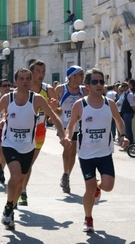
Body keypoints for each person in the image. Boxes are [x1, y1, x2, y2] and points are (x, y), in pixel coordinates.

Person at [0, 68, 68, 230]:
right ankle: (8, 208)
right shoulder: (7, 99)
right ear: (16, 82)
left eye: (27, 78)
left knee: (20, 180)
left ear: (31, 81)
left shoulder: (36, 100)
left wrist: (63, 136)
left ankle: (10, 212)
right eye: (21, 78)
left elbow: (54, 117)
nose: (24, 81)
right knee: (15, 176)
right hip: (10, 143)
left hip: (28, 146)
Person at [66, 68, 129, 232]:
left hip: (104, 152)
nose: (99, 85)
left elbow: (119, 121)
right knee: (89, 188)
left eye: (101, 81)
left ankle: (98, 188)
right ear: (87, 86)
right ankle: (88, 218)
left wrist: (123, 136)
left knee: (108, 186)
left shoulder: (110, 104)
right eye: (95, 82)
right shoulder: (80, 105)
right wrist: (67, 137)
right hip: (86, 154)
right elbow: (71, 125)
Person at [18, 60, 58, 206]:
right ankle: (17, 188)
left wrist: (54, 109)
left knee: (28, 164)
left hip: (39, 131)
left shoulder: (48, 90)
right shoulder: (22, 90)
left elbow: (56, 112)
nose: (41, 75)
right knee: (19, 165)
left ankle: (22, 191)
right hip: (21, 131)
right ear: (31, 73)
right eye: (38, 72)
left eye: (43, 72)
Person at [54, 65, 84, 194]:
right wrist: (53, 115)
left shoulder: (84, 91)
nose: (82, 78)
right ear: (72, 76)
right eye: (80, 75)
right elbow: (54, 105)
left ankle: (67, 176)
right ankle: (66, 173)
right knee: (68, 147)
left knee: (73, 152)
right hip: (64, 124)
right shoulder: (60, 89)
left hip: (78, 125)